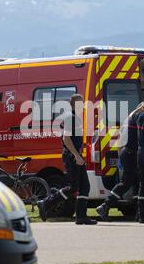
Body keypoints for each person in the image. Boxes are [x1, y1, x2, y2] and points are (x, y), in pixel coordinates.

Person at [37, 94, 98, 225]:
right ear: (73, 104)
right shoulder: (71, 117)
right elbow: (66, 138)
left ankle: (81, 216)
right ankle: (46, 203)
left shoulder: (76, 118)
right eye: (80, 103)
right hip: (72, 155)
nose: (82, 105)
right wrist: (76, 155)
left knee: (84, 186)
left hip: (76, 155)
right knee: (72, 187)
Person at [95, 102, 144, 221]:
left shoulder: (128, 120)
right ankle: (105, 205)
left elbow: (120, 140)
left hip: (126, 154)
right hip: (132, 155)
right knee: (128, 182)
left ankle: (139, 213)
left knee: (136, 183)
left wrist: (120, 157)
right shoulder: (139, 120)